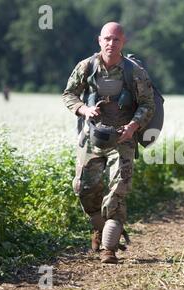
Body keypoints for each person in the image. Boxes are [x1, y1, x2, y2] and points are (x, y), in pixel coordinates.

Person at [62, 22, 155, 264]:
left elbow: (148, 104)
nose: (111, 43)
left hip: (122, 139)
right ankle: (99, 227)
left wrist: (133, 126)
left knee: (117, 191)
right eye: (107, 39)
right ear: (99, 40)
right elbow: (69, 94)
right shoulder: (87, 66)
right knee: (83, 188)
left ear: (123, 43)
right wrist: (84, 109)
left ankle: (109, 248)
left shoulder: (134, 71)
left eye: (116, 40)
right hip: (91, 138)